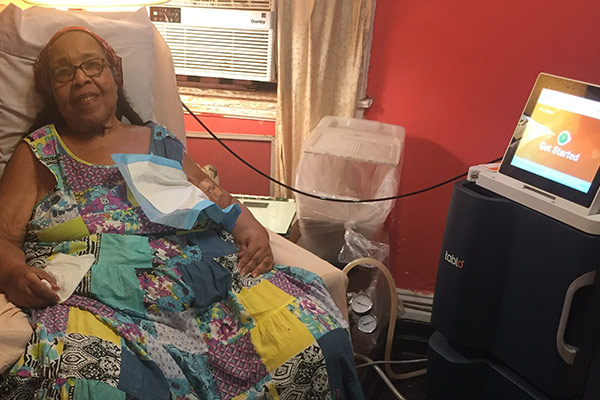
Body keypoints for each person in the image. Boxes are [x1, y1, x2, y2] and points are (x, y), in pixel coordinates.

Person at [0, 26, 363, 399]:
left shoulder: (159, 142)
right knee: (96, 386)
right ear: (51, 90)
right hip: (98, 300)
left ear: (114, 75)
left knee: (317, 339)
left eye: (93, 65)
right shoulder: (40, 153)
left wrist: (250, 227)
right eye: (64, 72)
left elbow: (217, 196)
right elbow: (2, 237)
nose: (81, 78)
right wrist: (12, 272)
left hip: (205, 282)